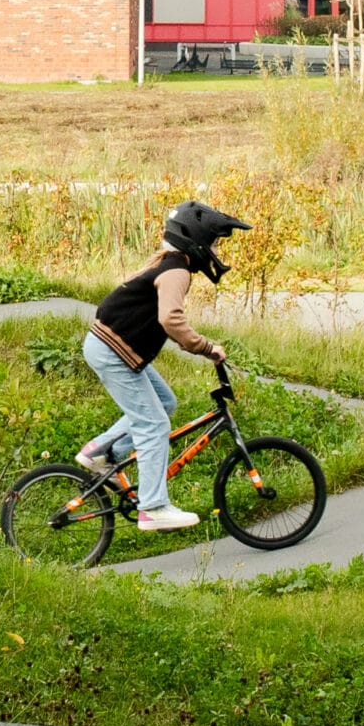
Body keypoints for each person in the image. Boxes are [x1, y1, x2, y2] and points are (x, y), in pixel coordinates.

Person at [78, 200, 243, 532]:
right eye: (213, 242)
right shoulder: (177, 270)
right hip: (112, 351)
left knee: (165, 404)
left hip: (109, 346)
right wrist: (207, 348)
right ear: (195, 240)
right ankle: (152, 507)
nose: (214, 250)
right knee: (153, 425)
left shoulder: (169, 263)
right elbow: (171, 318)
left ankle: (99, 451)